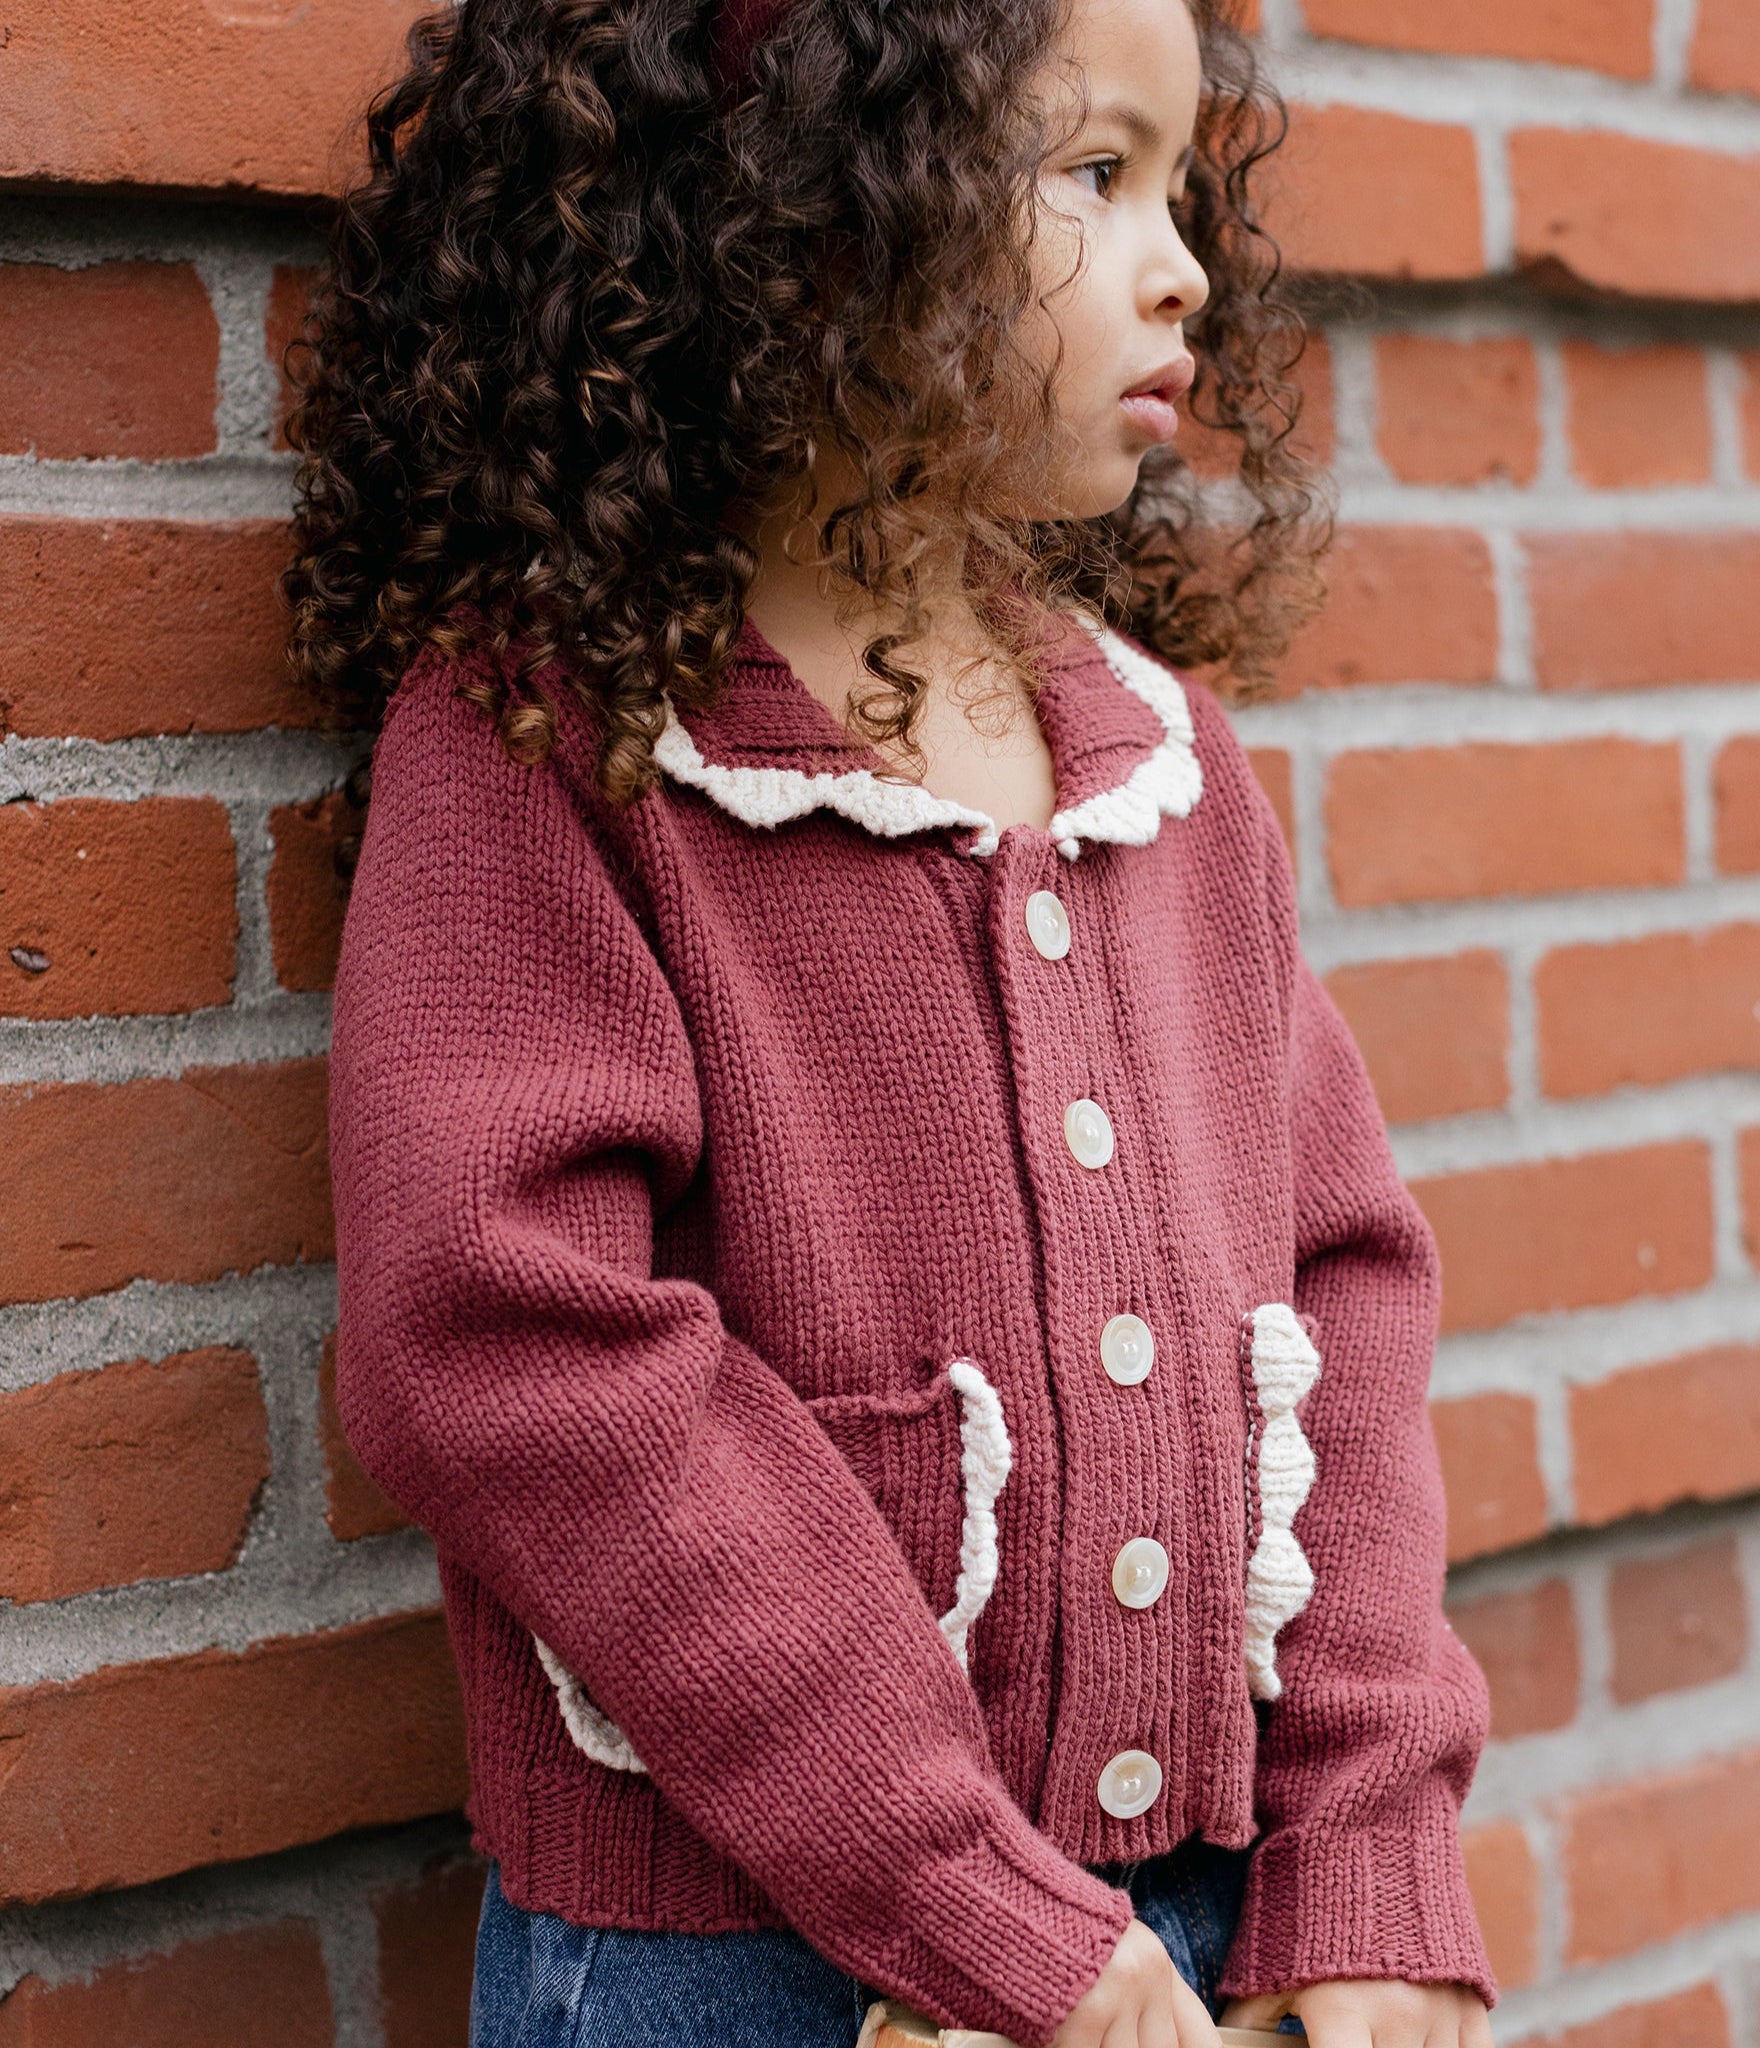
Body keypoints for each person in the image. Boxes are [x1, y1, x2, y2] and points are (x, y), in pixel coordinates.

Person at [281, 0, 1500, 2042]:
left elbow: (1341, 1296)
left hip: (1206, 1951)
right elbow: (500, 1337)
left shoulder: (1165, 769)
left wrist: (1365, 1857)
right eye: (1092, 172)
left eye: (1184, 180)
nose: (1181, 257)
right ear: (806, 201)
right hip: (737, 1967)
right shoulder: (558, 736)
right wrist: (968, 1907)